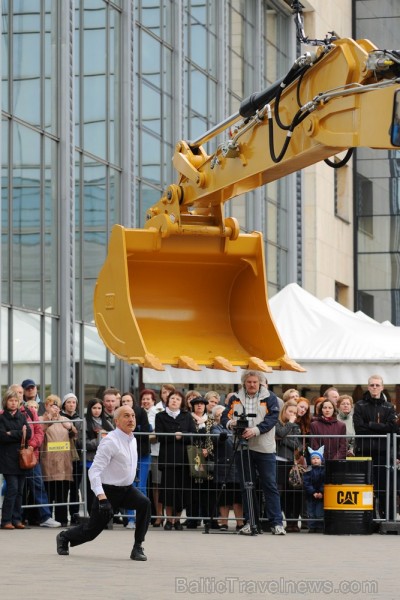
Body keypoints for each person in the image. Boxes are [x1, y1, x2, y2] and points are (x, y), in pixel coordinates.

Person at [56, 405, 151, 561]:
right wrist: (102, 498)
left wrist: (130, 475)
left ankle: (137, 547)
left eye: (133, 416)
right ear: (117, 421)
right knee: (91, 532)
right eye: (126, 416)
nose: (131, 419)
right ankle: (64, 537)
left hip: (126, 490)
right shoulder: (110, 442)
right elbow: (94, 471)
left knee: (144, 503)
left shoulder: (132, 439)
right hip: (108, 492)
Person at [221, 370, 286, 536]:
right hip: (243, 446)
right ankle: (251, 522)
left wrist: (256, 430)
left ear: (260, 383)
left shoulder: (270, 397)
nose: (252, 385)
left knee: (270, 485)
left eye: (255, 382)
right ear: (244, 382)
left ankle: (276, 523)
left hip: (264, 447)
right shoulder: (235, 397)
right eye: (249, 382)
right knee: (246, 486)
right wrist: (231, 424)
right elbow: (224, 416)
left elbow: (272, 419)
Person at [8, 384, 61, 528]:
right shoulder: (5, 414)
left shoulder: (30, 411)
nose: (19, 395)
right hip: (12, 457)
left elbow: (39, 432)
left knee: (38, 486)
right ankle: (12, 518)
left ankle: (45, 517)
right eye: (16, 392)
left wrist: (30, 446)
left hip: (31, 456)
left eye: (20, 392)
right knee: (15, 489)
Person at [353, 375, 398, 520]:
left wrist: (371, 425)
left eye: (377, 385)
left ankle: (388, 518)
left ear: (382, 387)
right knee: (366, 487)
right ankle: (367, 518)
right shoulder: (360, 405)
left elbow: (393, 428)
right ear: (368, 387)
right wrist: (381, 428)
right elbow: (359, 429)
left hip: (383, 452)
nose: (374, 387)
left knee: (385, 488)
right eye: (372, 385)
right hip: (364, 452)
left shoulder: (389, 406)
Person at [155, 390, 196, 530]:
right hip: (168, 458)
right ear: (168, 400)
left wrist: (182, 436)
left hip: (183, 459)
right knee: (168, 491)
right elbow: (159, 436)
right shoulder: (160, 416)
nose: (174, 401)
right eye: (172, 398)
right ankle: (169, 520)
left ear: (182, 402)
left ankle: (177, 520)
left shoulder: (187, 416)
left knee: (181, 490)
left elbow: (193, 435)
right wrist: (175, 436)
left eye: (178, 399)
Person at [40, 395, 76, 525]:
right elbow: (40, 430)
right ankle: (47, 518)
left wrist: (71, 427)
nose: (54, 408)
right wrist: (48, 419)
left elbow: (75, 434)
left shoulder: (64, 419)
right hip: (48, 462)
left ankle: (62, 519)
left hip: (64, 462)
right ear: (46, 406)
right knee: (49, 492)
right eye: (51, 405)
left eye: (56, 406)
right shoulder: (41, 419)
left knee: (62, 493)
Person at [0, 389, 32, 529]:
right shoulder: (1, 418)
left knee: (20, 490)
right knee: (12, 489)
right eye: (10, 400)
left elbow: (29, 433)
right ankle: (6, 520)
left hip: (21, 459)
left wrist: (11, 433)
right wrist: (19, 433)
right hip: (7, 459)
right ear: (5, 402)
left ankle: (16, 519)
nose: (13, 403)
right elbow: (2, 436)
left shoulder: (22, 416)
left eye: (15, 401)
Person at [121, 392, 152, 529]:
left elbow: (145, 431)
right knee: (129, 485)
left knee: (142, 487)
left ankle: (142, 518)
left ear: (133, 401)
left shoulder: (141, 412)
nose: (126, 403)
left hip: (142, 453)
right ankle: (130, 518)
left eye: (128, 400)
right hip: (126, 455)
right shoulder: (119, 414)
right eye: (123, 401)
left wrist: (134, 430)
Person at [211, 404, 243, 531]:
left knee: (237, 498)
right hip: (223, 465)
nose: (220, 417)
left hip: (236, 464)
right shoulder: (215, 428)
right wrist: (222, 437)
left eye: (222, 414)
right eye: (217, 415)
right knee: (223, 497)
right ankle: (223, 522)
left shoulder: (235, 426)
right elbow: (216, 439)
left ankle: (239, 523)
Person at [79, 398, 114, 514]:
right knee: (91, 489)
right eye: (94, 408)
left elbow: (114, 438)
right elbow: (81, 442)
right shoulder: (84, 422)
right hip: (90, 460)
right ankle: (91, 512)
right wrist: (99, 440)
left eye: (99, 408)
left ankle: (104, 513)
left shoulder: (107, 422)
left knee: (104, 488)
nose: (97, 411)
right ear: (90, 409)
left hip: (105, 462)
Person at [187, 395, 216, 529]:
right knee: (193, 490)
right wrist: (197, 451)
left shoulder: (210, 421)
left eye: (202, 404)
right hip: (192, 457)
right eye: (197, 404)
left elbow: (212, 437)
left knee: (207, 490)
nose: (199, 406)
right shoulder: (188, 419)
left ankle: (209, 519)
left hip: (206, 458)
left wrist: (207, 450)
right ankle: (192, 519)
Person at [275, 400, 303, 532]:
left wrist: (283, 439)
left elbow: (297, 444)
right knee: (280, 492)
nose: (293, 415)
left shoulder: (296, 427)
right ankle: (278, 520)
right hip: (277, 460)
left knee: (292, 492)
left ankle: (293, 521)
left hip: (290, 461)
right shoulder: (277, 423)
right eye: (290, 412)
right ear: (284, 411)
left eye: (295, 413)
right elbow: (279, 433)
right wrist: (289, 426)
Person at [140, 388, 164, 526]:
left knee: (157, 485)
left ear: (153, 401)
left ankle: (158, 515)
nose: (145, 401)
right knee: (147, 485)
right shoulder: (139, 413)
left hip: (155, 452)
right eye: (143, 399)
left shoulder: (157, 412)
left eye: (148, 399)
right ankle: (153, 515)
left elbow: (156, 433)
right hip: (144, 453)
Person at [60, 393, 83, 524]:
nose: (71, 405)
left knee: (75, 488)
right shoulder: (60, 418)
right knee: (63, 488)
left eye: (74, 402)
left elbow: (80, 438)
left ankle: (74, 515)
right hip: (62, 457)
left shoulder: (79, 419)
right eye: (69, 402)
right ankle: (62, 517)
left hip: (76, 458)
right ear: (64, 404)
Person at [303, 446, 325, 533]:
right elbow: (306, 483)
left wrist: (321, 492)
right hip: (310, 495)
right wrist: (313, 492)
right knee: (310, 511)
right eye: (313, 458)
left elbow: (324, 482)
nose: (315, 460)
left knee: (319, 511)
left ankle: (320, 526)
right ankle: (312, 526)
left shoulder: (323, 471)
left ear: (321, 459)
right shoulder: (308, 471)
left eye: (317, 458)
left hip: (321, 495)